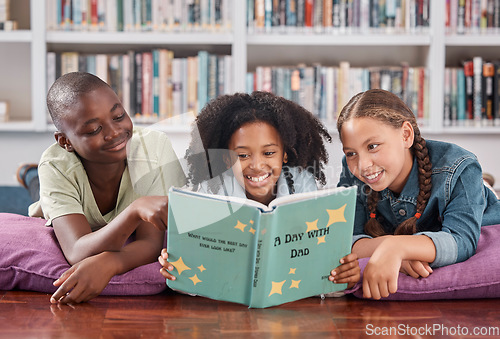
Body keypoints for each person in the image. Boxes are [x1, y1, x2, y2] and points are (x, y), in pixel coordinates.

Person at [158, 91, 360, 290]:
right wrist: (178, 266)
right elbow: (197, 253)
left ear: (285, 155)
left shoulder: (301, 182)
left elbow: (316, 249)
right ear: (227, 159)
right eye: (243, 155)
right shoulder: (213, 187)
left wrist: (341, 271)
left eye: (269, 153)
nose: (257, 165)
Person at [29, 72, 186, 304]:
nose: (113, 133)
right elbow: (76, 250)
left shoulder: (153, 148)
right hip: (56, 198)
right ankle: (30, 176)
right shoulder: (56, 165)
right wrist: (135, 209)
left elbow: (151, 243)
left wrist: (110, 262)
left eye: (119, 116)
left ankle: (28, 175)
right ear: (65, 142)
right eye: (93, 130)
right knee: (38, 190)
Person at [336, 89, 500, 300]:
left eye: (373, 146)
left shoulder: (459, 167)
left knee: (478, 187)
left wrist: (396, 247)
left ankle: (485, 184)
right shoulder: (354, 174)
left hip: (482, 214)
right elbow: (346, 238)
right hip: (414, 232)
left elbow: (462, 241)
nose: (363, 165)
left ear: (406, 135)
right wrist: (397, 252)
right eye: (351, 153)